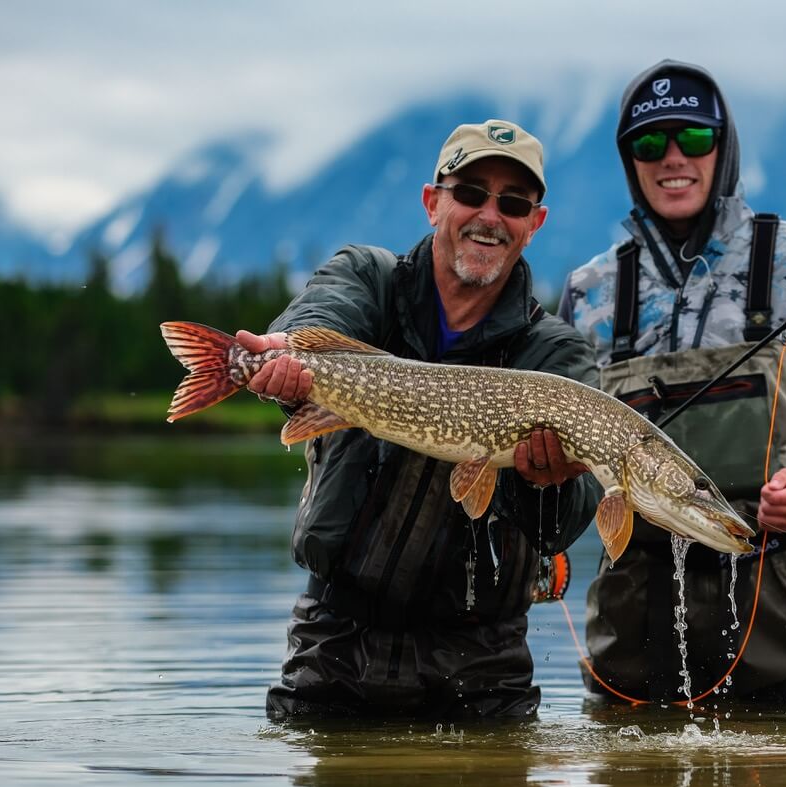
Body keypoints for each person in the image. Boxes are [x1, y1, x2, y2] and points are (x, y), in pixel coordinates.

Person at [559, 61, 786, 705]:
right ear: (629, 161)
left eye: (693, 139)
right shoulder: (587, 293)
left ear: (723, 150)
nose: (673, 158)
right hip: (633, 645)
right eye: (649, 144)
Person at [239, 119, 600, 719]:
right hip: (335, 643)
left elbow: (564, 522)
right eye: (470, 193)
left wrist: (549, 482)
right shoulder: (367, 279)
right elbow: (320, 317)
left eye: (513, 203)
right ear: (434, 203)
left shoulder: (555, 355)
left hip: (482, 663)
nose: (490, 215)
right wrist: (284, 359)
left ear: (533, 225)